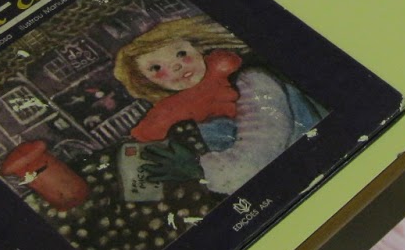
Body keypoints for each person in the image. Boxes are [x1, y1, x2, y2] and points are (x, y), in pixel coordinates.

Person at [112, 16, 324, 195]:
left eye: (181, 54)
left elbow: (258, 158)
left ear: (199, 49)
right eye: (156, 68)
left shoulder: (251, 80)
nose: (175, 66)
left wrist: (198, 170)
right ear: (147, 81)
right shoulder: (183, 109)